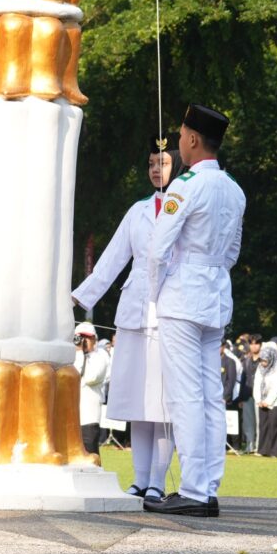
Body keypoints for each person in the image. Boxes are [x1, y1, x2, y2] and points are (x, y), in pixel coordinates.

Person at [144, 103, 245, 517]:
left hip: (183, 295)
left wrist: (156, 293)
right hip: (216, 294)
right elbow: (233, 251)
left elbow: (158, 249)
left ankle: (193, 489)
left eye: (182, 136)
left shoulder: (185, 186)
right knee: (210, 397)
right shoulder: (234, 188)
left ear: (191, 139)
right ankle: (208, 486)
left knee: (185, 395)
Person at [73, 136, 184, 502]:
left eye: (162, 163)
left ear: (177, 164)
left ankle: (157, 481)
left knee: (162, 404)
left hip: (169, 310)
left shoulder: (186, 205)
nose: (155, 169)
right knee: (138, 401)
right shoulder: (137, 210)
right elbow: (113, 258)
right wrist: (79, 296)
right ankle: (139, 479)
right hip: (134, 310)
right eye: (151, 163)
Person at [73, 322, 110, 457]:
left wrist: (79, 353)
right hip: (69, 417)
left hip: (88, 417)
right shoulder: (70, 356)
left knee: (90, 457)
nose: (84, 341)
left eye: (87, 337)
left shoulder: (101, 356)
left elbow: (90, 377)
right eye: (80, 337)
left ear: (95, 339)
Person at [254, 344, 277, 457]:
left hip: (276, 402)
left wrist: (268, 401)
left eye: (265, 360)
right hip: (262, 401)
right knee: (263, 426)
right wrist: (258, 399)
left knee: (274, 426)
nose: (263, 363)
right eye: (261, 360)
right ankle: (263, 450)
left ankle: (274, 451)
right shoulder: (260, 368)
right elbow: (257, 384)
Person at [239, 335, 261, 453]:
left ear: (260, 345)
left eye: (256, 343)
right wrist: (241, 398)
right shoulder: (246, 360)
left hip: (260, 395)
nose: (254, 346)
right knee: (248, 422)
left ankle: (259, 445)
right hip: (247, 394)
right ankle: (249, 445)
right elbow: (243, 379)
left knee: (259, 422)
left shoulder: (264, 360)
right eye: (251, 343)